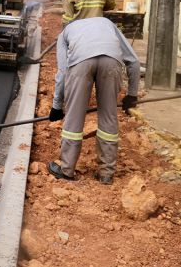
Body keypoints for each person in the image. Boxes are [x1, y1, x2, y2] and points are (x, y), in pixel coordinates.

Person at [47, 16, 140, 185]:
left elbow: (62, 72)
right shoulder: (108, 24)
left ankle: (67, 170)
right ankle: (106, 173)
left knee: (74, 117)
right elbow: (133, 61)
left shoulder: (65, 32)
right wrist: (132, 94)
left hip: (81, 63)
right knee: (108, 115)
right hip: (111, 62)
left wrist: (57, 106)